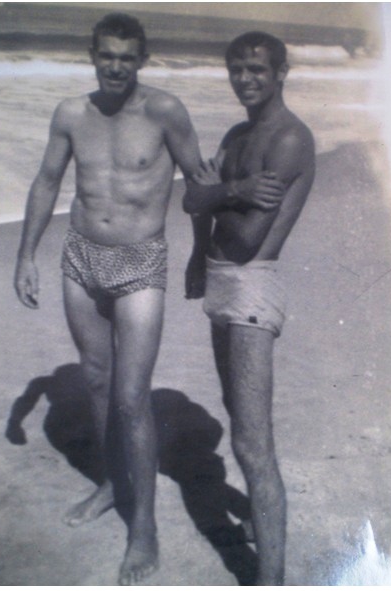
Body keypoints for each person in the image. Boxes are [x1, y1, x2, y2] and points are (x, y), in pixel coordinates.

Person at [14, 13, 202, 585]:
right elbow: (47, 181)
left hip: (140, 262)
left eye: (126, 57)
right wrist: (26, 255)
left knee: (130, 397)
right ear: (92, 55)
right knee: (96, 382)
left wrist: (204, 253)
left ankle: (143, 525)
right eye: (106, 56)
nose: (115, 67)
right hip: (81, 257)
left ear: (141, 59)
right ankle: (111, 482)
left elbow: (199, 181)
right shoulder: (71, 114)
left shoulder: (164, 111)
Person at [183, 31, 315, 585]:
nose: (245, 79)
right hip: (220, 282)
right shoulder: (237, 136)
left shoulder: (288, 139)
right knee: (238, 418)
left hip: (252, 287)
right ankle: (263, 527)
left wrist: (217, 192)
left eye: (257, 69)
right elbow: (192, 198)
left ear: (281, 72)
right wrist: (227, 198)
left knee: (252, 444)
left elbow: (244, 239)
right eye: (237, 69)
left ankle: (271, 579)